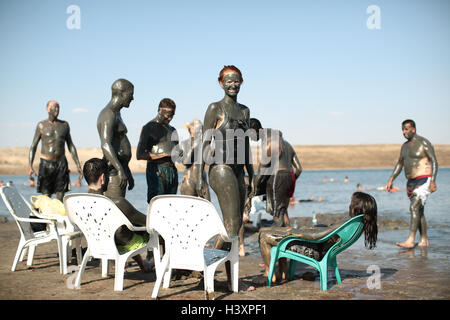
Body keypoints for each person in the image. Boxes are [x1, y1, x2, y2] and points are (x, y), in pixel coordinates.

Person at [198, 65, 254, 294]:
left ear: (242, 82)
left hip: (240, 171)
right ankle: (207, 268)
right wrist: (201, 177)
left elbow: (247, 145)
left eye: (237, 80)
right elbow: (203, 144)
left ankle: (230, 281)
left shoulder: (245, 111)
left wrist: (253, 174)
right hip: (220, 169)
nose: (233, 84)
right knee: (231, 226)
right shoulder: (215, 108)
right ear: (220, 83)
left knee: (237, 225)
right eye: (228, 81)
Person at [257, 192, 378, 284]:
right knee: (265, 230)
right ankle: (283, 272)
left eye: (351, 203)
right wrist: (306, 229)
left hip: (315, 250)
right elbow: (326, 232)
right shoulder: (356, 223)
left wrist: (293, 232)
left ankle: (269, 274)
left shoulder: (349, 222)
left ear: (356, 208)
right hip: (321, 248)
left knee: (264, 236)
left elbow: (316, 236)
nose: (349, 205)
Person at [83, 158, 152, 272]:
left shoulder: (80, 202)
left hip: (96, 243)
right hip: (121, 244)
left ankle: (142, 265)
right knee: (153, 232)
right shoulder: (117, 203)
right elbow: (147, 222)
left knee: (122, 230)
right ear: (103, 178)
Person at [385, 119, 438, 248]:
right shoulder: (404, 146)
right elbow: (400, 163)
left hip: (424, 179)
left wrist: (433, 181)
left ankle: (410, 240)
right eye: (402, 129)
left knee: (414, 207)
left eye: (406, 129)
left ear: (413, 129)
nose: (404, 132)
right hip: (410, 182)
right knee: (419, 210)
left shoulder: (423, 142)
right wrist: (391, 179)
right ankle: (424, 240)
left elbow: (434, 161)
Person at [29, 100, 83, 202]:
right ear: (47, 109)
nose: (56, 109)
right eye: (53, 107)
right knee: (46, 196)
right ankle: (46, 217)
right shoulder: (41, 125)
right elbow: (33, 146)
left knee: (60, 196)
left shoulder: (64, 125)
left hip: (61, 164)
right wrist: (30, 165)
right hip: (46, 163)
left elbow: (71, 145)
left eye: (58, 107)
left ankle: (60, 216)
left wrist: (78, 165)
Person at [97, 79, 135, 199]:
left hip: (119, 170)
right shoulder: (108, 114)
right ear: (121, 93)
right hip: (113, 172)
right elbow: (106, 144)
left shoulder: (117, 114)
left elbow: (118, 145)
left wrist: (127, 171)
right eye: (131, 94)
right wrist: (119, 169)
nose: (132, 98)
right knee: (116, 210)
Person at [136, 98, 179, 203]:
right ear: (160, 110)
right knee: (157, 203)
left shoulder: (173, 130)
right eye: (168, 114)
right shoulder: (148, 127)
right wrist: (163, 155)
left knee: (171, 204)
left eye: (172, 115)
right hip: (157, 171)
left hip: (172, 171)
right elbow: (139, 154)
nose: (170, 118)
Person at [262, 129, 302, 227]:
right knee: (284, 210)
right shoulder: (289, 146)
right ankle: (288, 232)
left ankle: (282, 236)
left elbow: (264, 167)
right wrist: (291, 179)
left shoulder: (272, 146)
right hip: (291, 176)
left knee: (277, 212)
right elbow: (299, 169)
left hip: (278, 176)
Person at [179, 119, 210, 200]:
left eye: (201, 128)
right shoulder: (184, 143)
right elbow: (185, 162)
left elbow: (209, 161)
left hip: (202, 180)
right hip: (189, 180)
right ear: (190, 129)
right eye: (197, 128)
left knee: (207, 207)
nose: (199, 131)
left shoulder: (204, 144)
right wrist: (194, 146)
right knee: (188, 207)